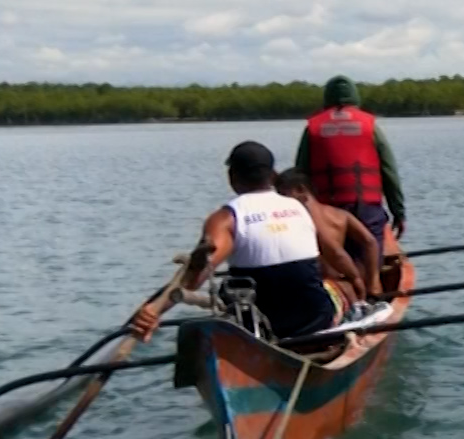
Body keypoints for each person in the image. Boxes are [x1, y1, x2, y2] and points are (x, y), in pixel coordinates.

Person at [127, 141, 343, 343]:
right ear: (274, 176)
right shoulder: (300, 208)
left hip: (259, 327)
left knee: (231, 292)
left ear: (232, 177)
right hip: (314, 321)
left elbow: (194, 278)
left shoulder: (227, 218)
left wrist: (152, 310)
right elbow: (332, 257)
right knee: (333, 290)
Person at [295, 76, 406, 248]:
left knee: (333, 263)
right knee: (370, 259)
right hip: (366, 210)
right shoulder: (370, 126)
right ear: (355, 98)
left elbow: (299, 176)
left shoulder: (312, 128)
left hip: (326, 213)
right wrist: (398, 212)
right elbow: (389, 171)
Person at [276, 168, 383, 302]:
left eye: (283, 194)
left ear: (300, 189)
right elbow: (370, 242)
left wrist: (356, 279)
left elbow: (335, 252)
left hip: (328, 287)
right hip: (346, 284)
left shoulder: (302, 219)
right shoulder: (341, 215)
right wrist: (373, 281)